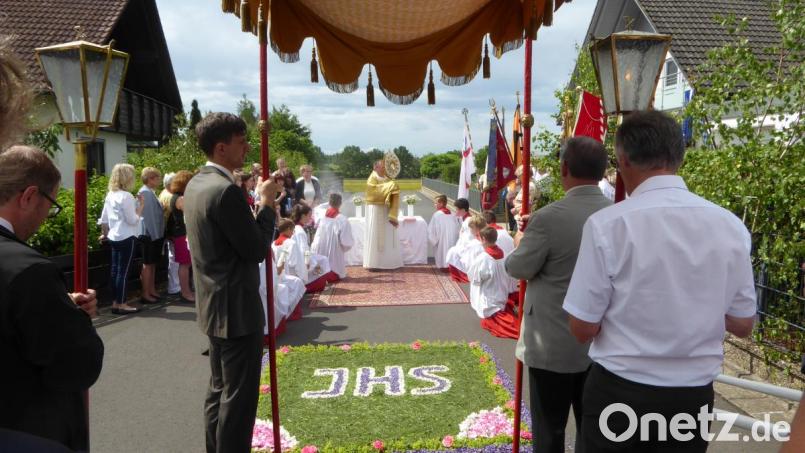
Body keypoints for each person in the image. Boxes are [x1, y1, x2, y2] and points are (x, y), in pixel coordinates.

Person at [563, 111, 757, 452]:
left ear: (622, 160)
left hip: (620, 391)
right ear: (680, 156)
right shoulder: (730, 226)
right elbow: (742, 324)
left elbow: (581, 328)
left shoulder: (608, 224)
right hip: (691, 397)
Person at [505, 136, 612, 453]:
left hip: (552, 341)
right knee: (591, 429)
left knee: (549, 430)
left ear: (564, 168)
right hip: (601, 341)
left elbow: (518, 267)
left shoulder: (549, 218)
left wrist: (521, 237)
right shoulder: (617, 213)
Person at [184, 112, 278, 453]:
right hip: (236, 309)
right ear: (221, 148)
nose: (248, 148)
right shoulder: (225, 191)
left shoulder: (197, 183)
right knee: (238, 401)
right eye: (241, 142)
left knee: (218, 390)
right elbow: (254, 249)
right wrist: (266, 205)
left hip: (212, 304)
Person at [0, 145, 103, 451]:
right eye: (50, 204)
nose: (46, 216)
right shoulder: (29, 269)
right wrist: (76, 318)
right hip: (25, 429)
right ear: (29, 196)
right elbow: (78, 364)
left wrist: (59, 305)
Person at [99, 163, 143, 315]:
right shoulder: (127, 196)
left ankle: (115, 302)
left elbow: (104, 219)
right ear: (127, 178)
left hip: (113, 237)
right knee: (123, 272)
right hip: (127, 236)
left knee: (115, 271)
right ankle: (122, 303)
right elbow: (132, 220)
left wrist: (105, 234)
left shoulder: (110, 194)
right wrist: (140, 207)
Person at [467, 226, 519, 339]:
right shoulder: (503, 253)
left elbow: (475, 278)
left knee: (501, 322)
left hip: (491, 295)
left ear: (484, 239)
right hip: (502, 290)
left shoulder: (484, 258)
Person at [363, 159, 403, 270]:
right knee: (376, 235)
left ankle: (389, 262)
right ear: (375, 167)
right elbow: (373, 193)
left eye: (385, 166)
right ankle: (374, 263)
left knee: (388, 236)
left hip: (387, 211)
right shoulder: (372, 178)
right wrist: (390, 186)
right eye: (382, 166)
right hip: (376, 211)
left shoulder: (387, 179)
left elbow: (391, 191)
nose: (384, 168)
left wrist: (392, 187)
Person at [290, 204, 336, 291]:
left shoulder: (295, 227)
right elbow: (304, 251)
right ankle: (311, 285)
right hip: (300, 260)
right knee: (323, 261)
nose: (310, 218)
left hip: (297, 257)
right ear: (303, 216)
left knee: (323, 259)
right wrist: (313, 264)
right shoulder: (299, 231)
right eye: (309, 216)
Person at [167, 170, 196, 303]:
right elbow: (189, 216)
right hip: (182, 234)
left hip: (181, 233)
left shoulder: (177, 196)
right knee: (185, 264)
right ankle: (185, 292)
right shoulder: (180, 198)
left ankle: (186, 290)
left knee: (186, 263)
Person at [311, 193, 354, 279]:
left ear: (329, 203)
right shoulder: (342, 219)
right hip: (334, 251)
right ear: (340, 203)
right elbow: (346, 242)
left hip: (319, 247)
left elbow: (316, 208)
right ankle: (332, 273)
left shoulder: (321, 214)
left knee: (320, 267)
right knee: (334, 268)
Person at [138, 167, 165, 304]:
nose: (159, 180)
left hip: (153, 234)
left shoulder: (150, 192)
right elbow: (148, 218)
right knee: (148, 264)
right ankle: (146, 293)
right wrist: (156, 235)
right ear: (150, 179)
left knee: (152, 263)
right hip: (150, 234)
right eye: (157, 178)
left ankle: (151, 290)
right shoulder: (145, 193)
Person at [446, 215, 487, 283]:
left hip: (478, 270)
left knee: (453, 253)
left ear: (476, 228)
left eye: (471, 228)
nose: (470, 230)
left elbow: (469, 261)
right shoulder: (477, 239)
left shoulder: (477, 243)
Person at [159, 172, 181, 295]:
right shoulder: (169, 196)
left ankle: (175, 285)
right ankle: (175, 286)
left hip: (168, 231)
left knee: (173, 259)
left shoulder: (164, 193)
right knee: (175, 260)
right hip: (171, 232)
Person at [427, 194, 460, 269]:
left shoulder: (437, 215)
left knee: (442, 251)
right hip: (452, 239)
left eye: (436, 203)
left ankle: (443, 265)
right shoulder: (453, 214)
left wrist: (434, 240)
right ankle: (451, 265)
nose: (434, 204)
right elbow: (457, 228)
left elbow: (431, 230)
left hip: (441, 241)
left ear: (441, 203)